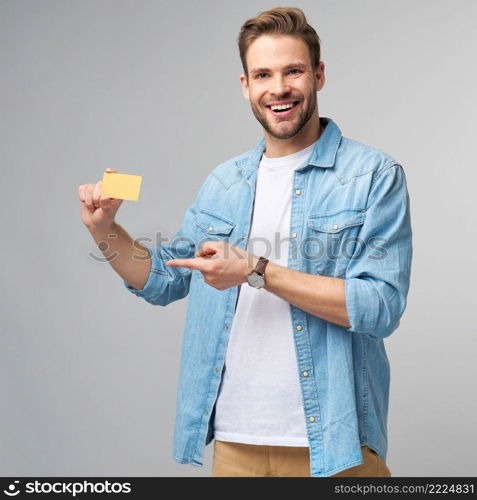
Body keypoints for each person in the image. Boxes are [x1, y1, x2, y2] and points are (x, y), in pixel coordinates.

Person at [78, 6, 412, 477]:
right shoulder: (225, 182)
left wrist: (257, 270)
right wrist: (105, 231)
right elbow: (162, 281)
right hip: (236, 444)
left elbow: (379, 306)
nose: (279, 88)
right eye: (263, 74)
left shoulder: (373, 175)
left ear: (318, 75)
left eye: (293, 71)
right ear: (245, 86)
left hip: (333, 446)